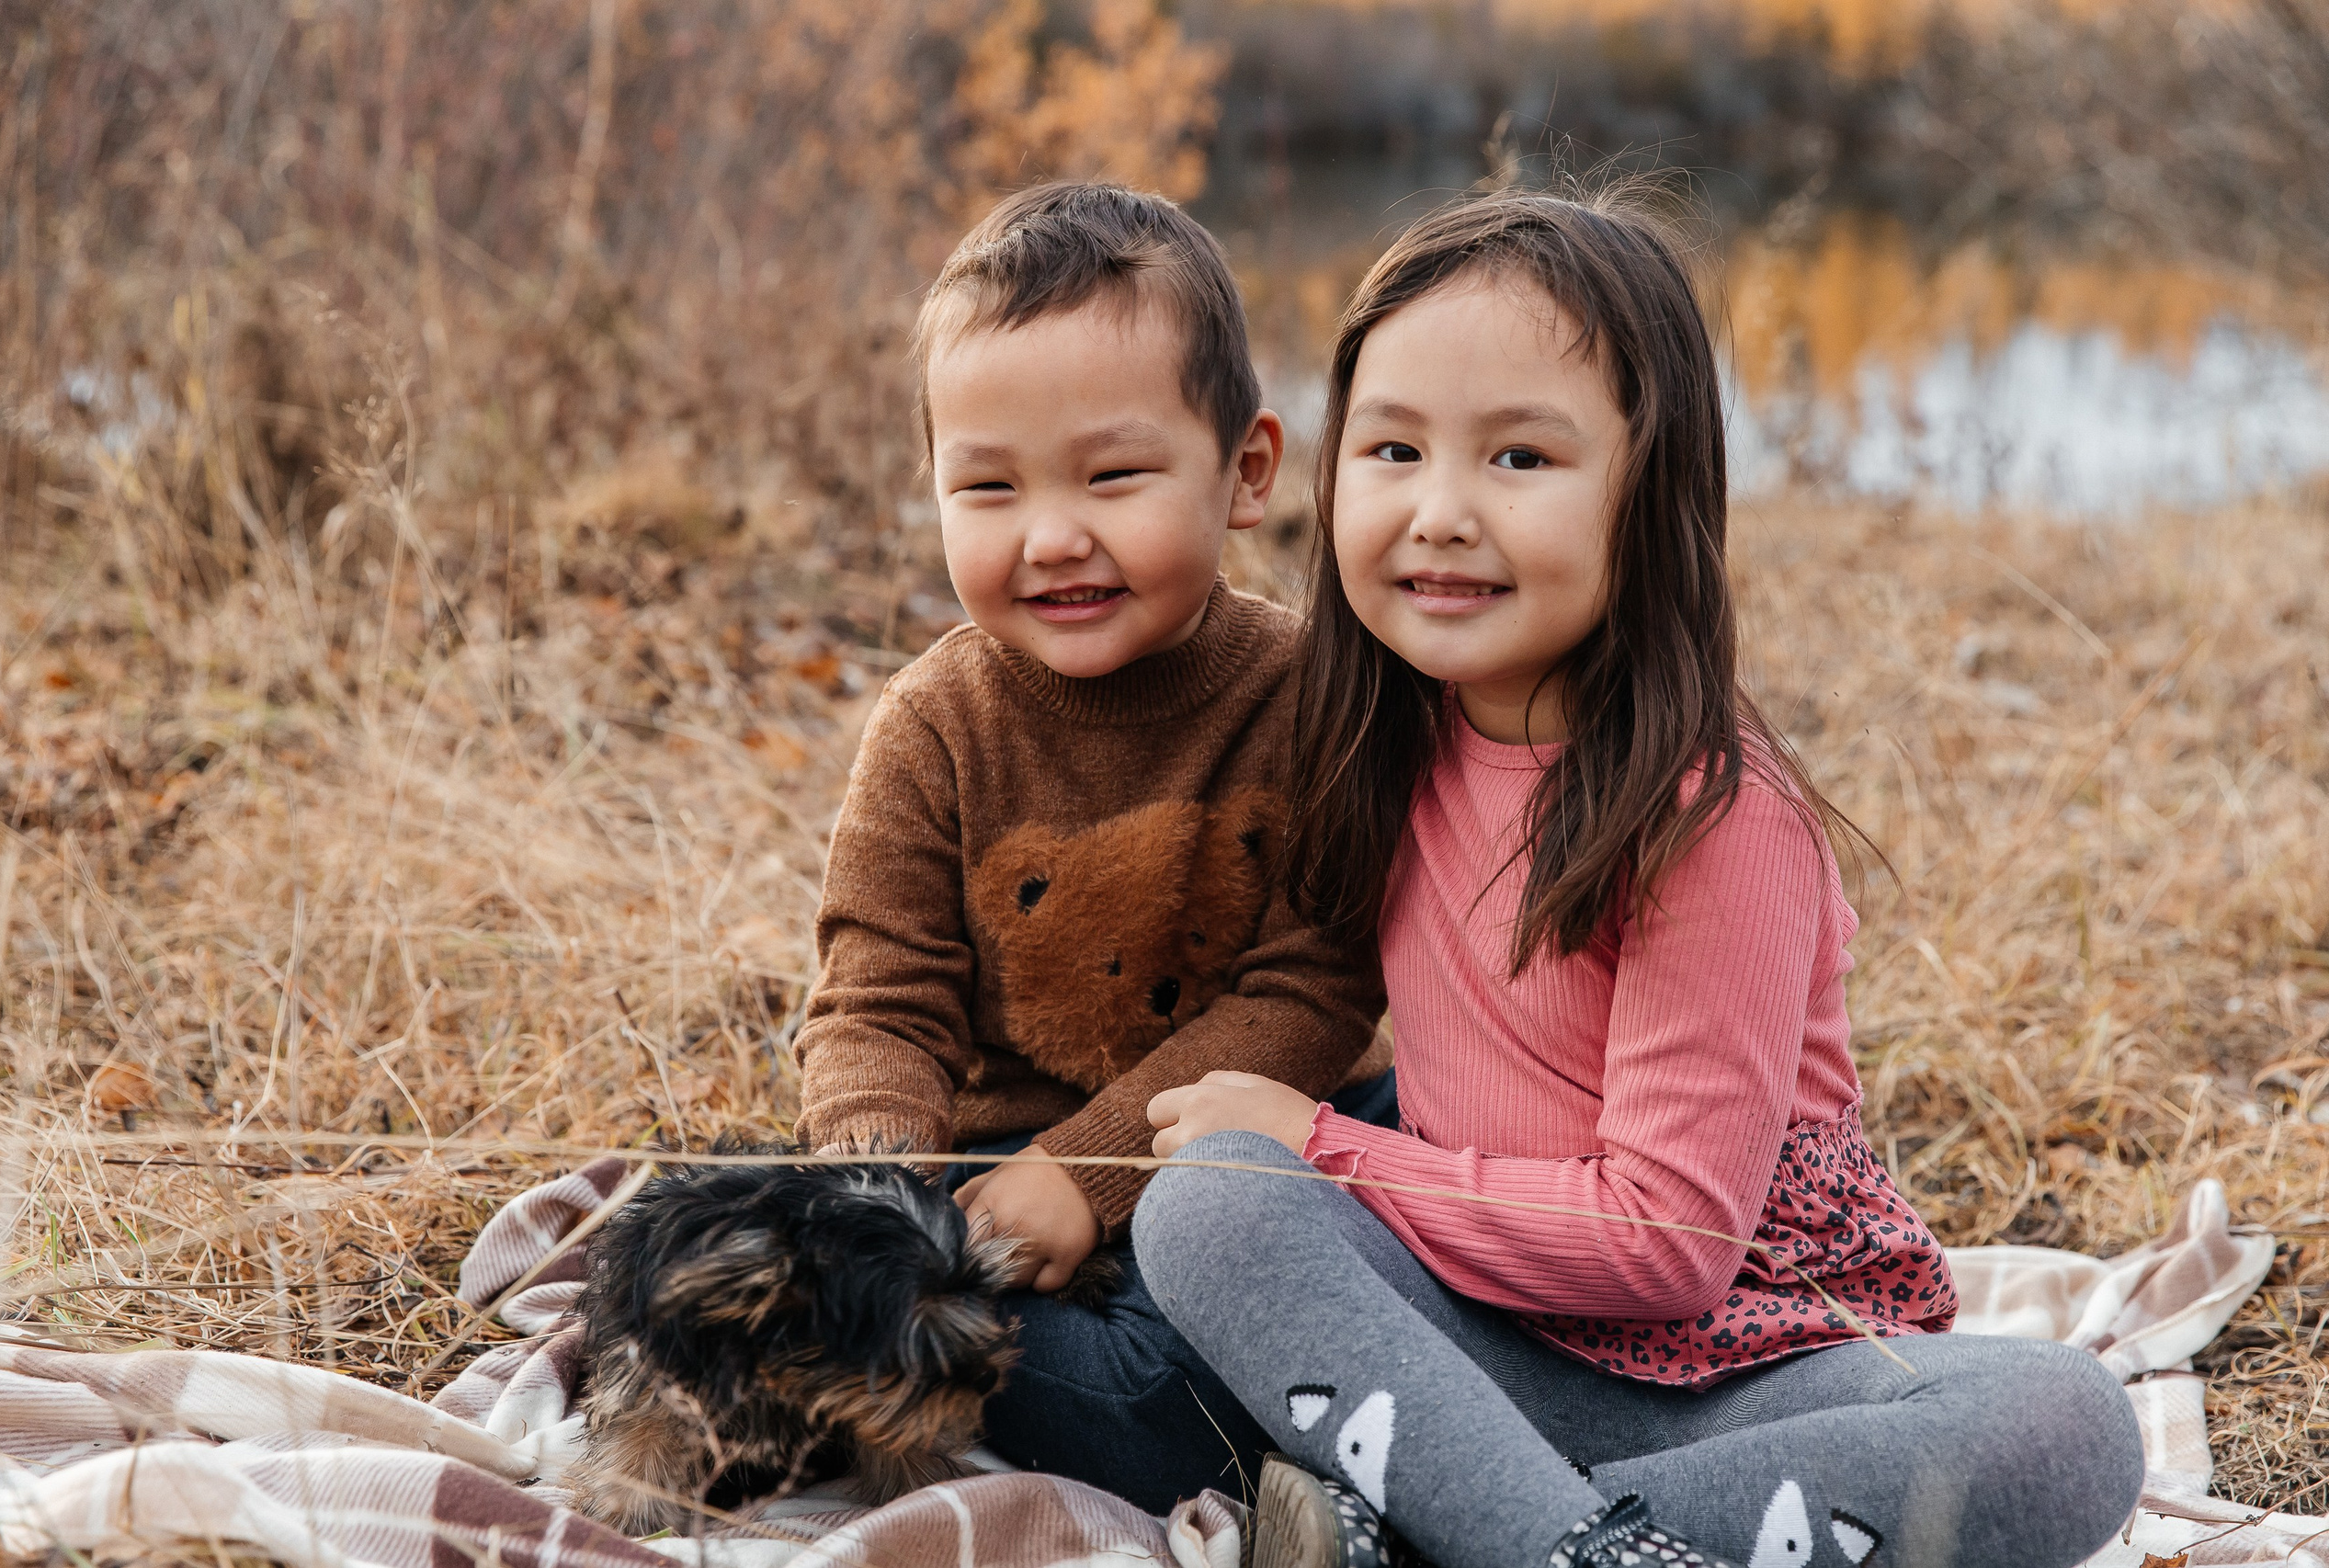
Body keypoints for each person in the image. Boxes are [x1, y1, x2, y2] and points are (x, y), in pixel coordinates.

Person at [1133, 187, 2143, 1568]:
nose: (1440, 512)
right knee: (1209, 1204)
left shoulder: (1711, 821)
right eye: (1392, 448)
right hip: (1478, 1334)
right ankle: (1527, 1517)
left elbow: (1667, 1241)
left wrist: (1327, 1145)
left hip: (1743, 1369)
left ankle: (1517, 1529)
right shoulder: (1379, 729)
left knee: (2070, 1424)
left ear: (1651, 486)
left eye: (1521, 459)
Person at [791, 180, 1393, 1515]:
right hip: (992, 1202)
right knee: (805, 1260)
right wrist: (893, 1213)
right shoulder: (935, 726)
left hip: (1254, 1179)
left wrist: (1097, 1170)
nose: (1052, 535)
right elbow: (876, 1000)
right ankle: (892, 1360)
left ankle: (1264, 1439)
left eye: (1113, 476)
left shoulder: (1308, 696)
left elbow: (1313, 992)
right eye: (988, 487)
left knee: (1401, 1167)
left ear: (1245, 470)